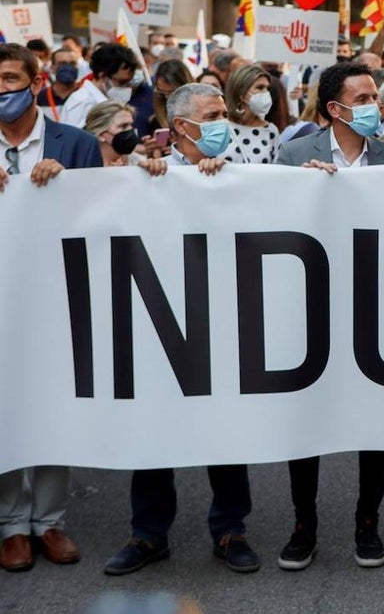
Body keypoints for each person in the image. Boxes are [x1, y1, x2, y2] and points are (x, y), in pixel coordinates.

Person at [102, 83, 259, 576]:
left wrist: (225, 180)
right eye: (212, 116)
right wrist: (148, 180)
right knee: (153, 427)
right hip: (159, 322)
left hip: (223, 321)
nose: (223, 123)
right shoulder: (148, 175)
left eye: (223, 113)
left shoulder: (242, 172)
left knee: (224, 428)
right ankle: (148, 534)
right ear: (182, 127)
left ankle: (230, 529)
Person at [273, 64, 384, 571]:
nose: (376, 106)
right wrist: (299, 190)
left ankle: (367, 522)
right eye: (364, 98)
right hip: (311, 305)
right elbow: (269, 223)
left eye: (375, 96)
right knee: (306, 416)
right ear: (334, 108)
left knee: (376, 419)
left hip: (373, 304)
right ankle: (303, 524)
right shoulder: (293, 155)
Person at [0, 43, 102, 571]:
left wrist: (67, 188)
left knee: (52, 405)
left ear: (37, 84)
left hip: (59, 300)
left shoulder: (76, 145)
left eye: (10, 79)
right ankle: (11, 525)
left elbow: (104, 217)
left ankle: (49, 521)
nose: (2, 91)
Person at [59, 43, 140, 128]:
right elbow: (72, 135)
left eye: (130, 83)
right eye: (122, 82)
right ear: (103, 76)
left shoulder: (107, 100)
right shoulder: (83, 102)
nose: (127, 88)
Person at [82, 101, 165, 174]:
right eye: (123, 126)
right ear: (101, 135)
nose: (130, 130)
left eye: (131, 125)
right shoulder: (83, 166)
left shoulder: (140, 163)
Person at [222, 64, 280, 164]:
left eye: (267, 88)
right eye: (260, 87)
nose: (266, 93)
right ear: (241, 93)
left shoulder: (270, 131)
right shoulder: (220, 127)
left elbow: (277, 168)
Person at [37, 47, 82, 121]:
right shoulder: (40, 98)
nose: (68, 67)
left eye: (72, 63)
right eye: (62, 64)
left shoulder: (86, 96)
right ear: (52, 68)